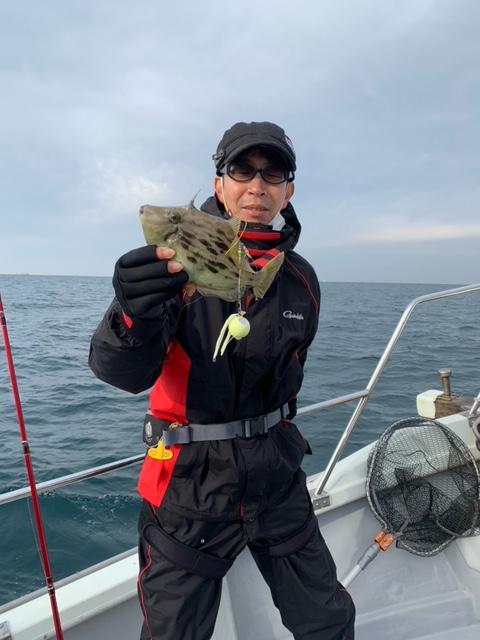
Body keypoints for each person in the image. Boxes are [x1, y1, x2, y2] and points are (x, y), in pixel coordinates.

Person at [89, 121, 355, 640]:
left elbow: (292, 374)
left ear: (288, 191)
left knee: (328, 619)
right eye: (242, 170)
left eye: (272, 173)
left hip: (278, 479)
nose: (257, 185)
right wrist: (131, 314)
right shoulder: (174, 264)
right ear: (220, 183)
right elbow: (121, 373)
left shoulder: (300, 279)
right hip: (190, 485)